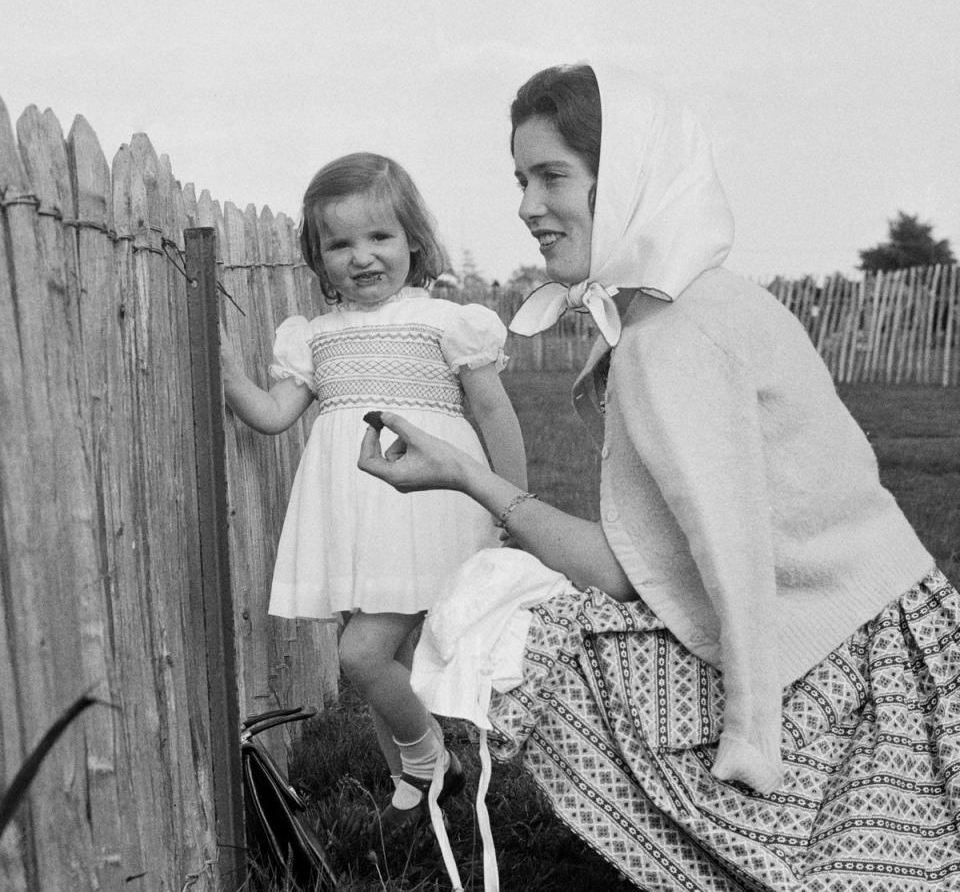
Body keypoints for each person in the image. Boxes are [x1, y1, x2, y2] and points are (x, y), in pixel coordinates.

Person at [357, 63, 960, 889]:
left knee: (533, 638)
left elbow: (712, 555)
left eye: (552, 177)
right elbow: (670, 551)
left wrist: (751, 732)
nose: (528, 206)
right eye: (520, 180)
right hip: (890, 623)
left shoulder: (673, 338)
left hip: (856, 665)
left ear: (630, 178)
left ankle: (746, 842)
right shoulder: (701, 296)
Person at [221, 151, 527, 838]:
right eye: (340, 244)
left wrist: (514, 504)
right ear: (317, 256)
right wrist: (229, 373)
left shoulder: (445, 323)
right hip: (354, 518)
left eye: (379, 237)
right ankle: (412, 787)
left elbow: (496, 413)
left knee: (362, 655)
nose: (362, 257)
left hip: (426, 509)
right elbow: (273, 415)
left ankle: (428, 759)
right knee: (384, 662)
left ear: (413, 240)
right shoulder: (317, 338)